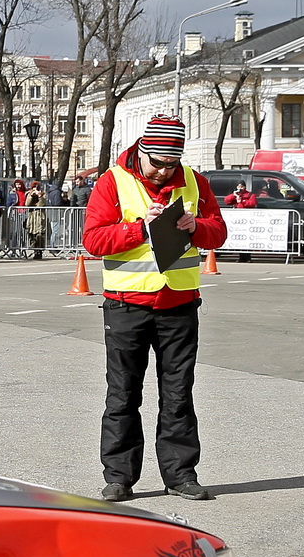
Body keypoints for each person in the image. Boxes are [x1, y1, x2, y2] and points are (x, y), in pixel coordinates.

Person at [81, 115, 227, 503]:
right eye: (157, 163)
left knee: (179, 394)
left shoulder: (195, 182)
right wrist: (138, 229)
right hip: (126, 305)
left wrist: (196, 226)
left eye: (171, 164)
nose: (164, 172)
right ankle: (118, 478)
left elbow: (219, 232)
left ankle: (180, 475)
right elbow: (93, 240)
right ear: (142, 152)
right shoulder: (112, 181)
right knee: (123, 394)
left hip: (179, 304)